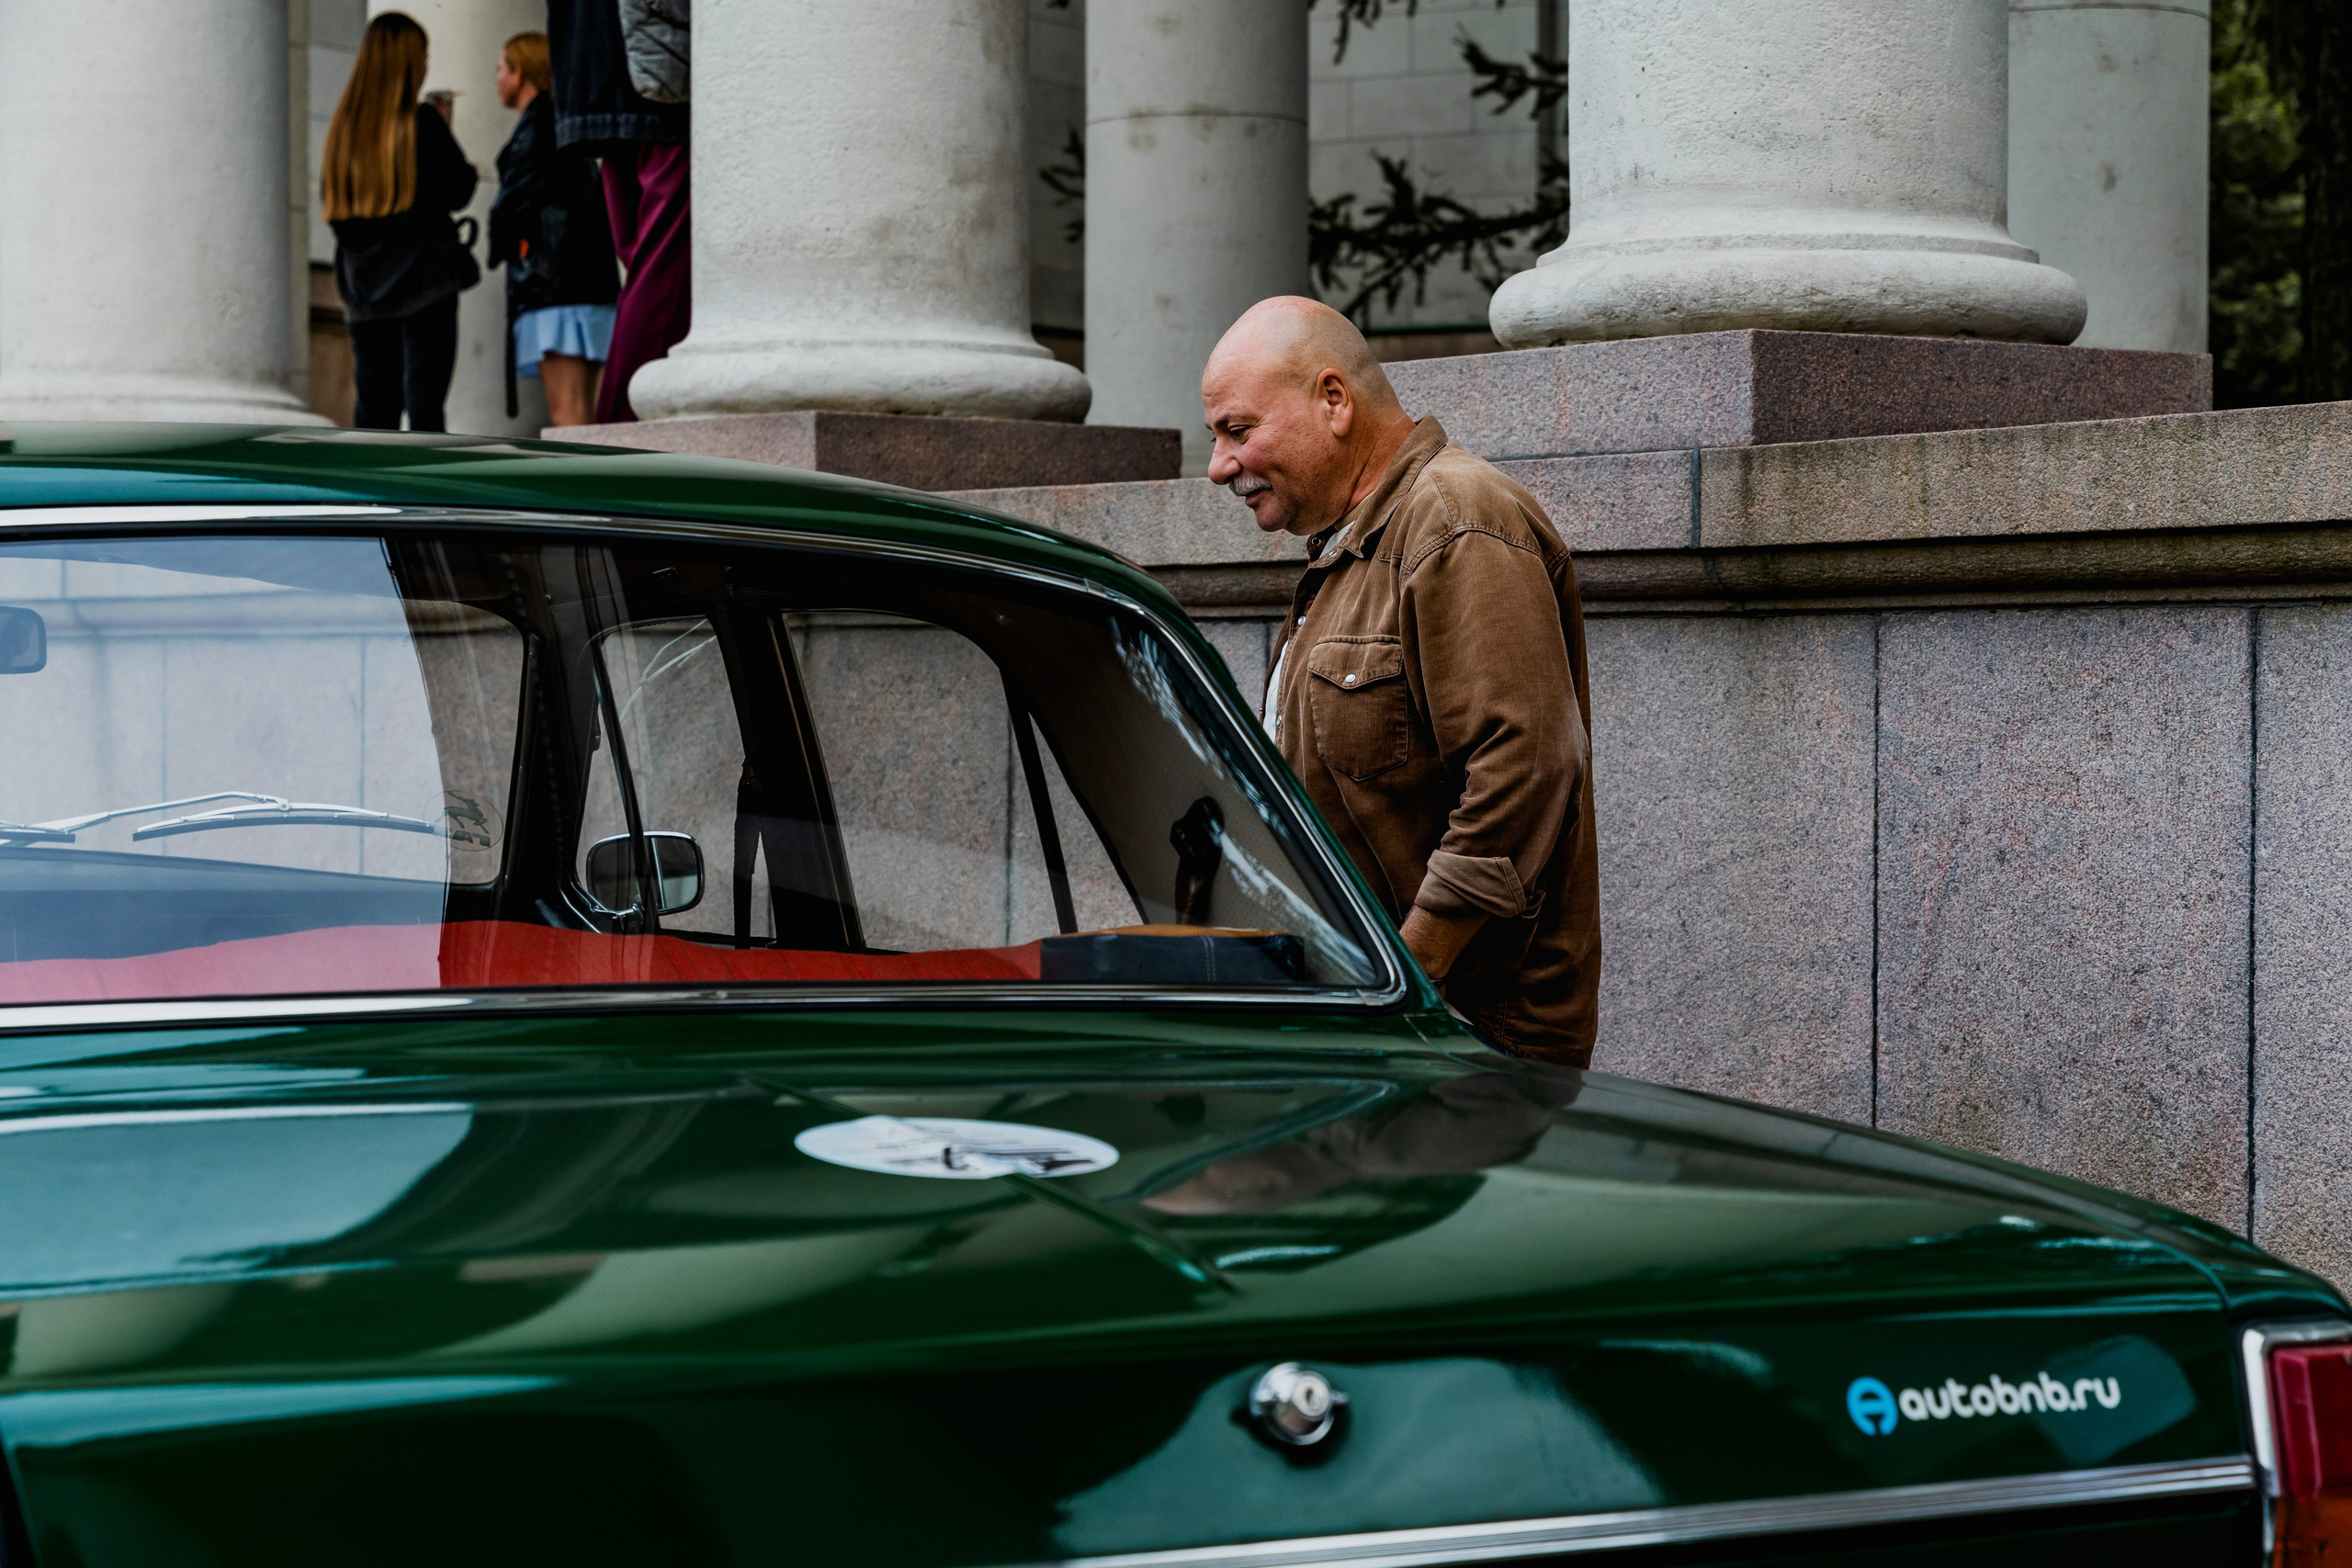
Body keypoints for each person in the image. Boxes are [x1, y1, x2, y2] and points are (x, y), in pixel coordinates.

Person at [1202, 297, 1600, 1066]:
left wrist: (1406, 978)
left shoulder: (1456, 518)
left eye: (1237, 430)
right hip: (1383, 1027)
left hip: (1455, 1044)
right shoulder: (1355, 545)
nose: (1219, 465)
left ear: (1334, 400)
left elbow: (1525, 770)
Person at [322, 12, 481, 433]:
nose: (427, 64)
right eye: (423, 55)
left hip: (364, 289)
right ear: (409, 62)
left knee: (374, 415)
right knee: (426, 410)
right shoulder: (422, 123)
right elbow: (459, 190)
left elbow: (337, 214)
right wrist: (444, 130)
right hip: (425, 284)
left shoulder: (343, 133)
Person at [548, 0, 690, 424]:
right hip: (656, 79)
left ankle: (619, 425)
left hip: (599, 80)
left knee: (645, 275)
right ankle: (621, 426)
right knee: (661, 276)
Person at [489, 31, 620, 427]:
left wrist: (500, 243)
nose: (496, 79)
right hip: (588, 284)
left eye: (501, 69)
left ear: (520, 73)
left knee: (570, 416)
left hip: (554, 288)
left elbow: (512, 203)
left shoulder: (537, 124)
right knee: (591, 418)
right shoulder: (563, 120)